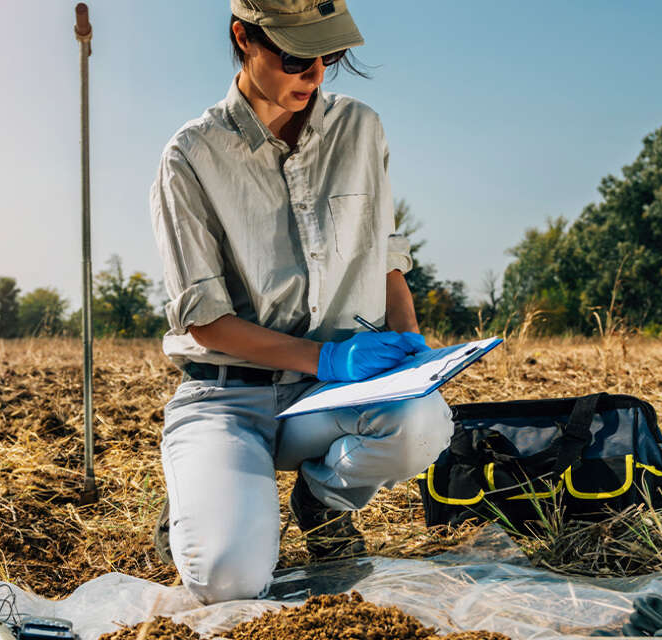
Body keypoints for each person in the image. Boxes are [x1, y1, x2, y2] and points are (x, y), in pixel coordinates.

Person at [148, 0, 454, 604]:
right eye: (294, 56)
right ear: (244, 38)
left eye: (328, 56)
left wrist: (411, 349)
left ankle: (324, 499)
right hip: (227, 396)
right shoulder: (189, 157)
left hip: (324, 399)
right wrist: (330, 359)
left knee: (423, 422)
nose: (313, 74)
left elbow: (385, 254)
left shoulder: (362, 128)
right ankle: (205, 491)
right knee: (230, 581)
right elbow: (206, 322)